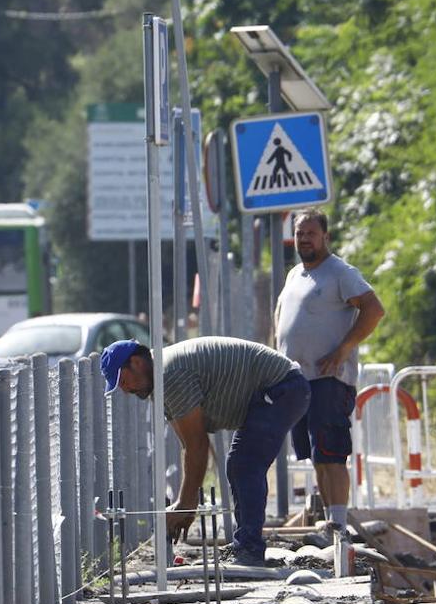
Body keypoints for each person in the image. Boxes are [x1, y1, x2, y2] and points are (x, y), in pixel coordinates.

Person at [100, 335, 309, 567]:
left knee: (245, 464)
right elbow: (190, 446)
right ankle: (246, 546)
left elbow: (198, 446)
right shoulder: (159, 385)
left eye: (122, 379)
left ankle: (249, 549)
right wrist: (188, 504)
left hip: (283, 386)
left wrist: (185, 504)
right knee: (240, 464)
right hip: (280, 387)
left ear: (136, 362)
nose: (124, 389)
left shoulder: (169, 375)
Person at [274, 209, 385, 531]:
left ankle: (338, 525)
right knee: (315, 456)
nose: (305, 239)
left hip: (328, 379)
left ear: (325, 236)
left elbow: (374, 310)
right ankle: (329, 523)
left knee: (332, 453)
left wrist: (343, 350)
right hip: (298, 379)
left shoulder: (340, 272)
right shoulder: (295, 274)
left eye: (311, 233)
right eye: (300, 233)